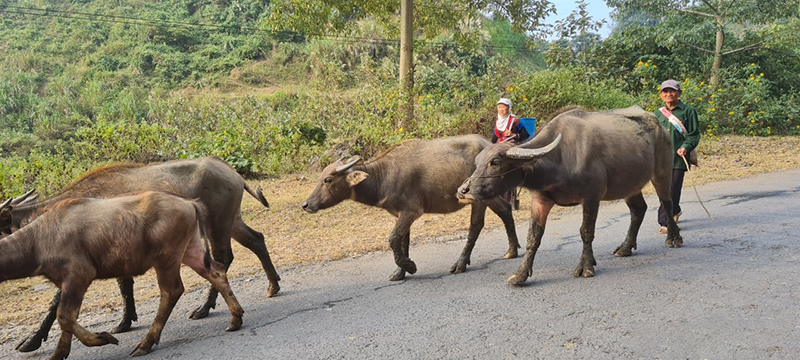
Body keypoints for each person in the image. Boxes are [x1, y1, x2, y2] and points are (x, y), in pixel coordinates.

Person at [654, 79, 700, 234]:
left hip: (678, 158)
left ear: (679, 93)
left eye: (672, 91)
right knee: (662, 190)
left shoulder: (688, 111)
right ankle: (676, 210)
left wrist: (685, 147)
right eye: (665, 91)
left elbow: (693, 135)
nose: (669, 94)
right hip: (660, 160)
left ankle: (666, 222)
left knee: (672, 189)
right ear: (661, 94)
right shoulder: (658, 114)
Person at [491, 98, 530, 210]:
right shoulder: (498, 121)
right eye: (499, 107)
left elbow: (525, 135)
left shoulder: (514, 121)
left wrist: (513, 134)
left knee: (508, 171)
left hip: (510, 148)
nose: (501, 109)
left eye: (503, 107)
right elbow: (494, 138)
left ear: (508, 108)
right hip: (499, 148)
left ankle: (510, 200)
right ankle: (501, 200)